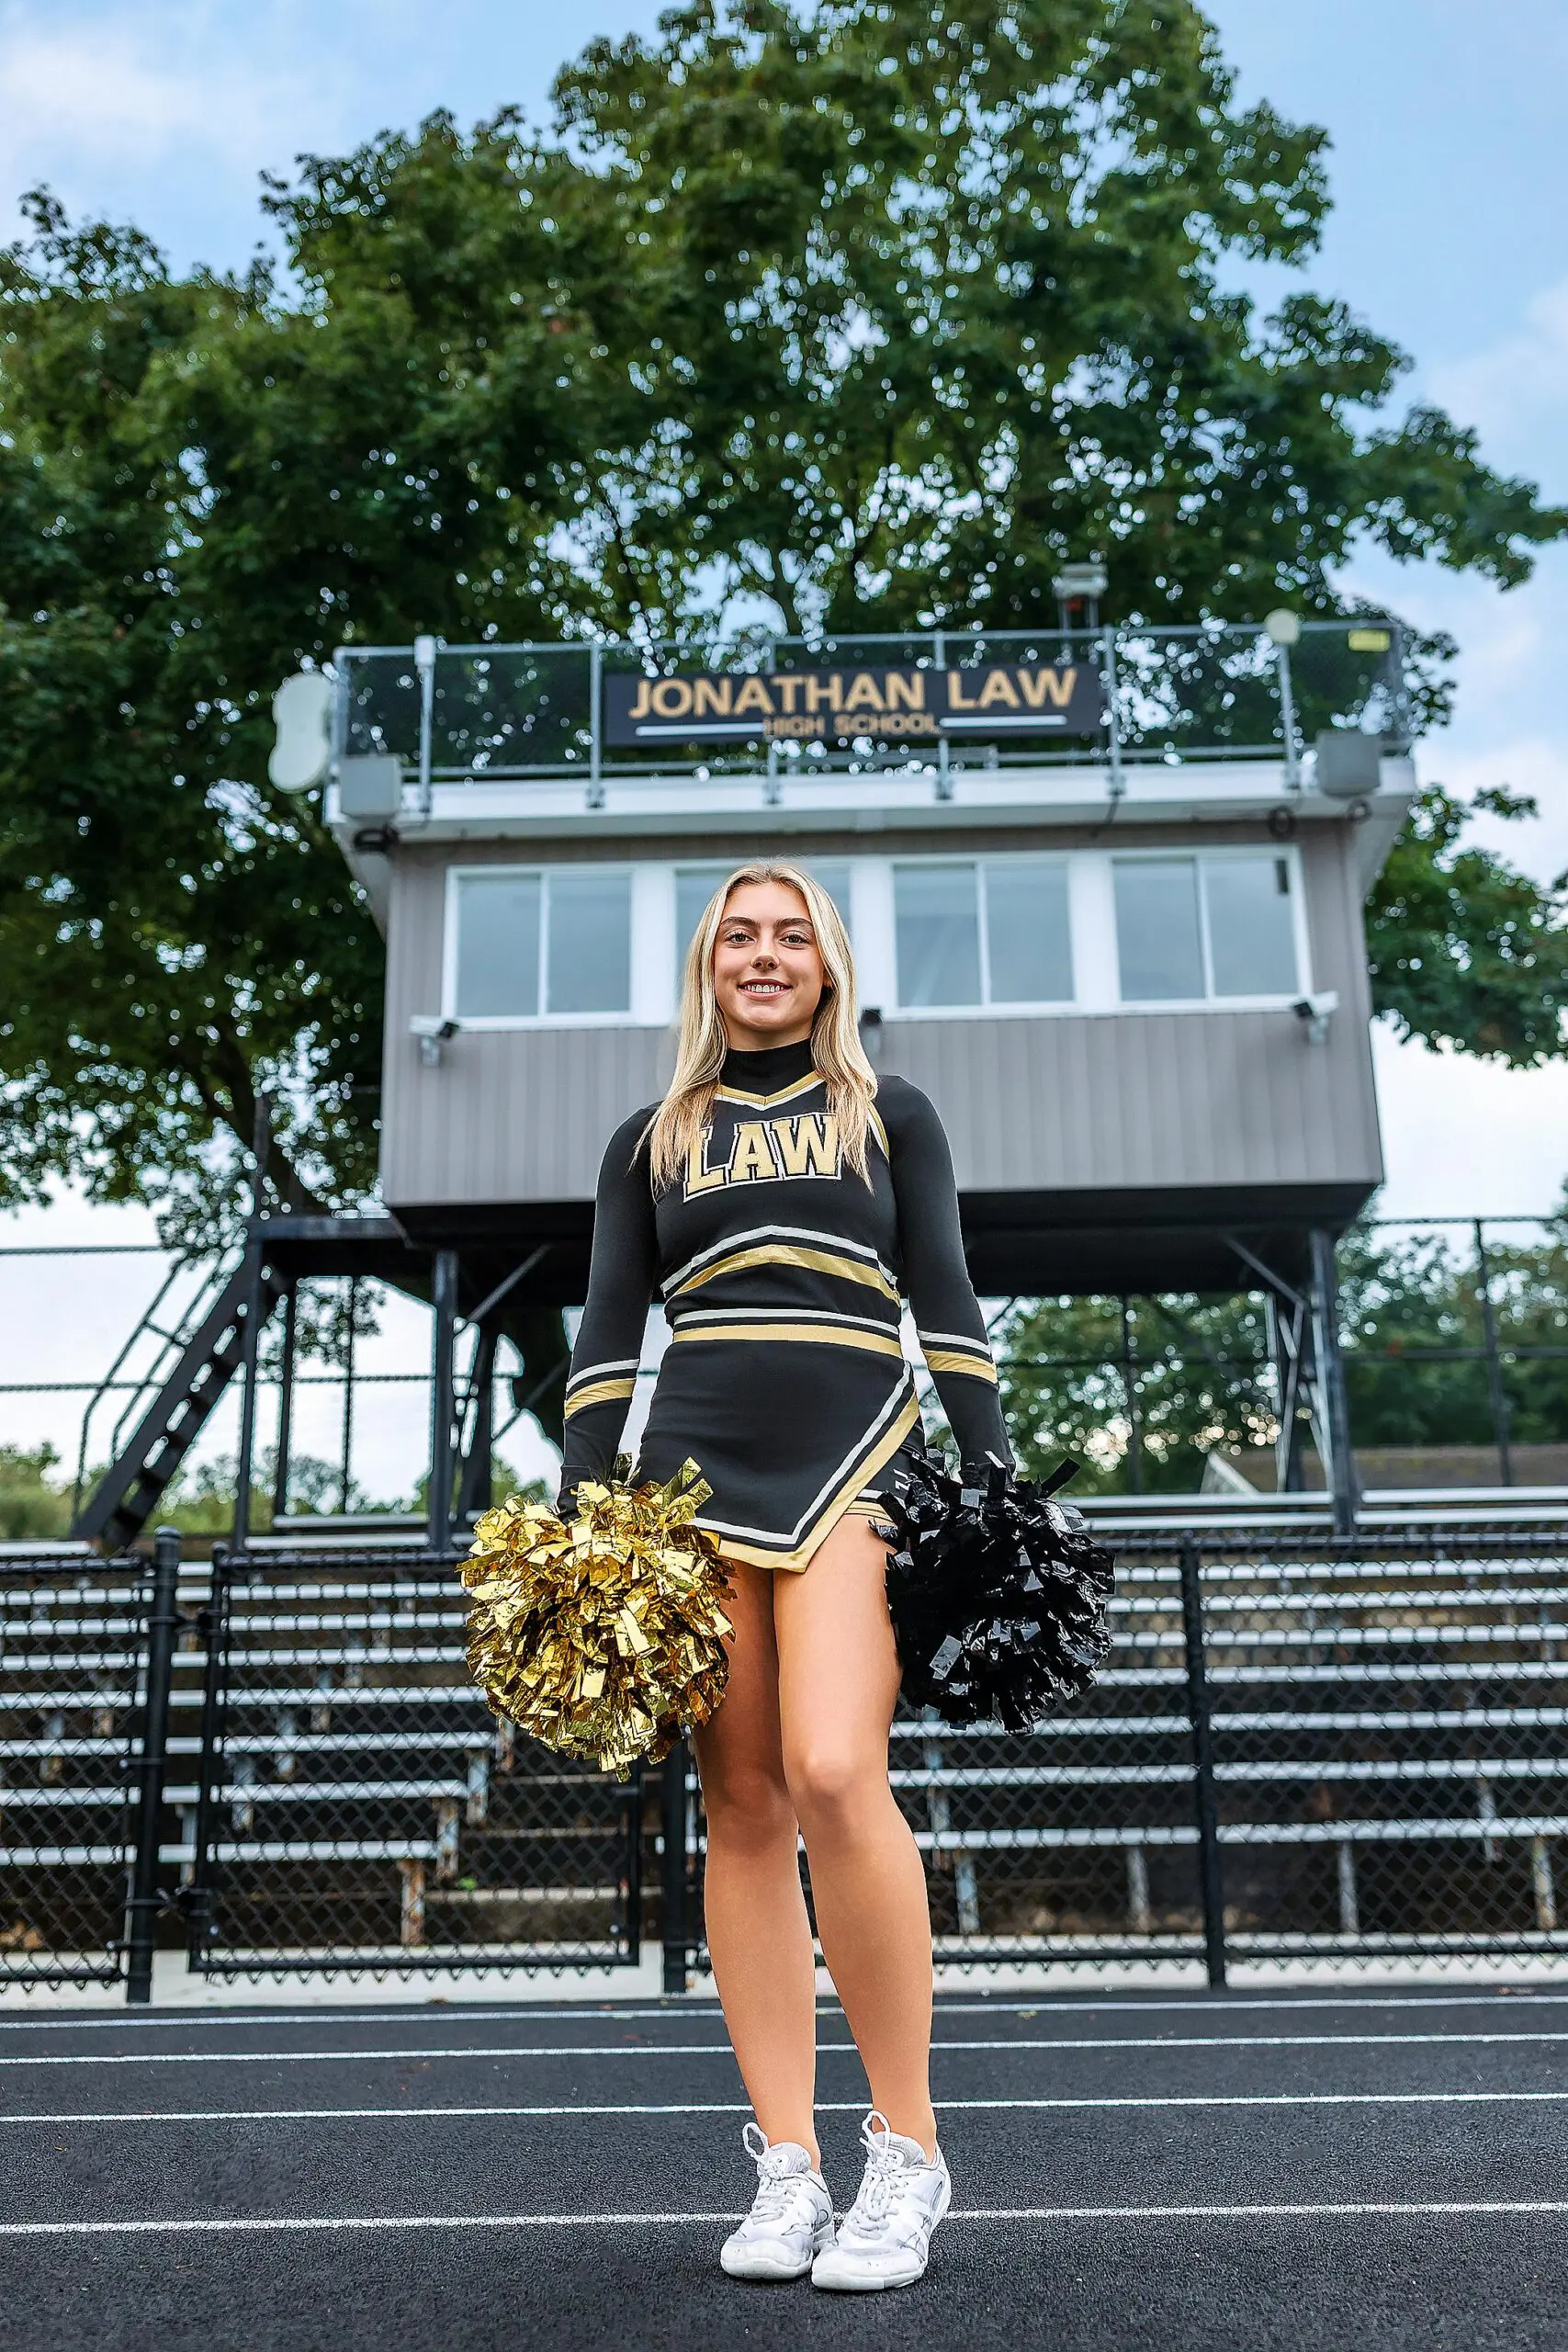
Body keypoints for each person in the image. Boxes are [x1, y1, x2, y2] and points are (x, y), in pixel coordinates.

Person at [558, 860, 1011, 2292]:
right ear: (708, 966)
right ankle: (787, 2163)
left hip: (853, 1457)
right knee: (740, 1802)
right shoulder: (652, 1138)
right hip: (692, 1479)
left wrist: (994, 1481)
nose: (765, 953)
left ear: (828, 966)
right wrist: (590, 1518)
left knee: (828, 1767)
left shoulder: (890, 1114)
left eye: (790, 934)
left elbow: (944, 1297)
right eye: (739, 935)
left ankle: (906, 2152)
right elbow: (608, 1339)